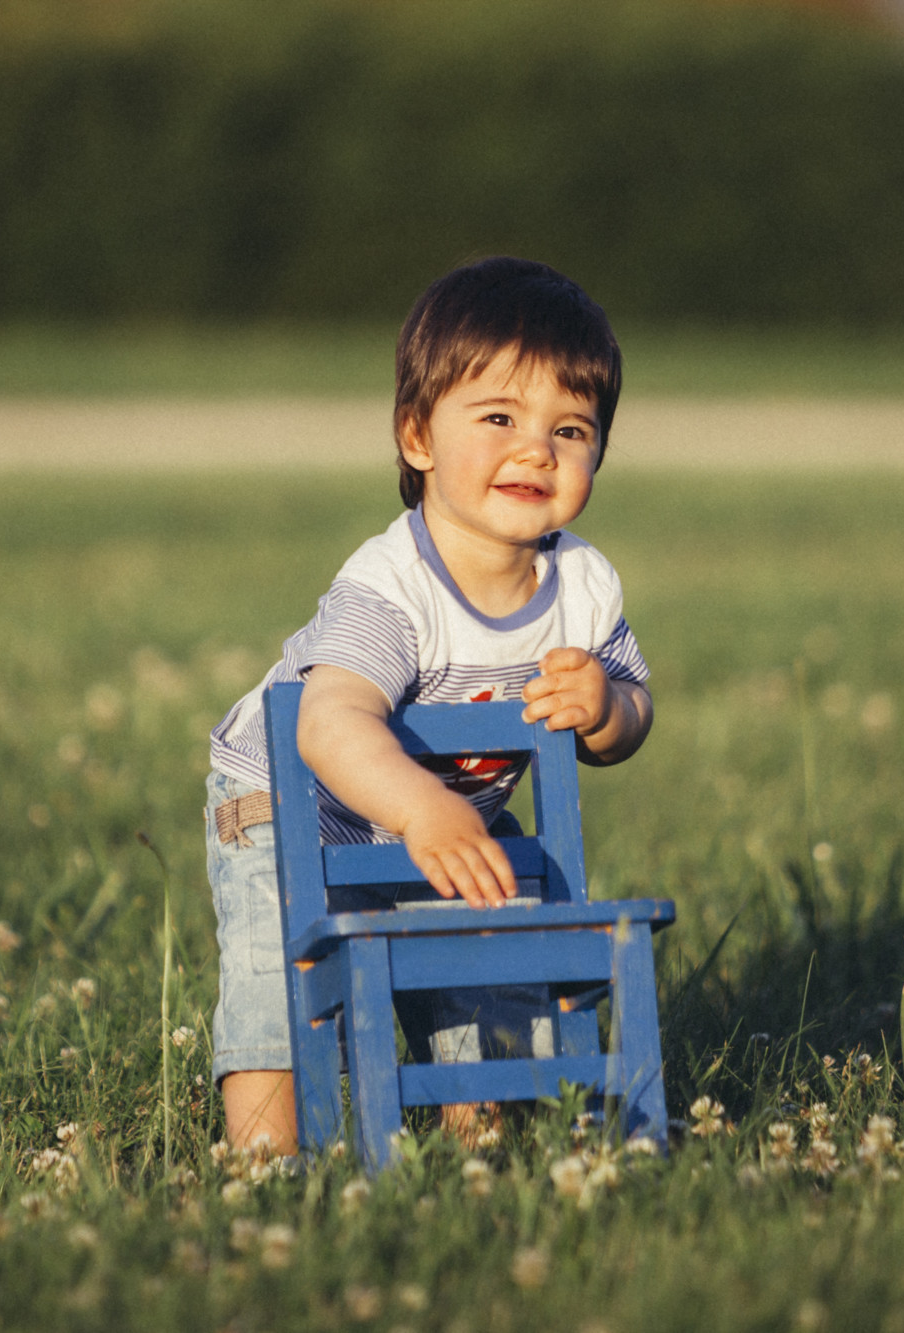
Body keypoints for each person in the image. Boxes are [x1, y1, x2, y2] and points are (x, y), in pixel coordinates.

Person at [203, 256, 654, 1156]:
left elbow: (635, 714)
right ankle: (266, 1157)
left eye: (571, 428)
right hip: (294, 810)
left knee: (487, 954)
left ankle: (473, 1134)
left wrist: (605, 706)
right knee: (278, 972)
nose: (537, 449)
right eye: (498, 418)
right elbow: (328, 724)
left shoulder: (582, 587)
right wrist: (421, 808)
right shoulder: (394, 587)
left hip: (448, 816)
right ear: (417, 435)